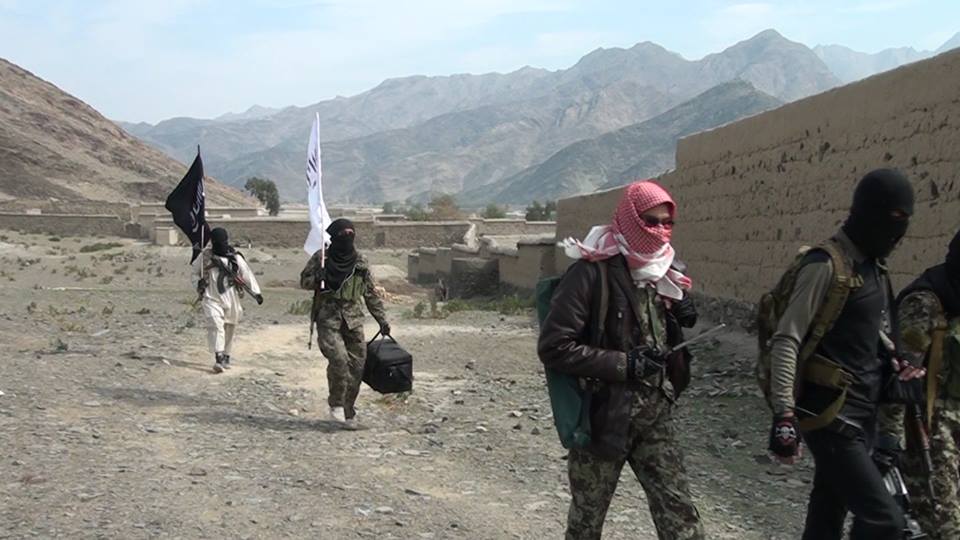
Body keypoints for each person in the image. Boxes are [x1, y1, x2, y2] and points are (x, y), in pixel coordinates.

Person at [538, 180, 704, 540]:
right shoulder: (589, 273)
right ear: (630, 220)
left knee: (681, 518)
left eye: (667, 223)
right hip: (603, 418)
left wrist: (678, 315)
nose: (660, 231)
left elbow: (656, 335)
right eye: (651, 221)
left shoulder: (664, 272)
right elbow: (554, 347)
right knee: (586, 523)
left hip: (655, 416)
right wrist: (624, 364)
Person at [766, 168, 916, 539]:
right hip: (831, 416)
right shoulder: (825, 265)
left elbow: (865, 334)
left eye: (904, 220)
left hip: (864, 414)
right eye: (892, 218)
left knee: (827, 515)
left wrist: (896, 362)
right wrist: (784, 413)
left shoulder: (874, 268)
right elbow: (787, 337)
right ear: (868, 212)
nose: (897, 232)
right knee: (885, 520)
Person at [896, 229, 960, 539]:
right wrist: (888, 441)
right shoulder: (924, 303)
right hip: (929, 433)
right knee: (947, 529)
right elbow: (899, 378)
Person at [300, 218, 390, 426]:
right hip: (328, 319)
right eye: (343, 234)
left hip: (353, 321)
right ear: (334, 236)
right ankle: (336, 404)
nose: (347, 237)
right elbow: (304, 281)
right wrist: (318, 278)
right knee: (339, 360)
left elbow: (370, 293)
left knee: (357, 366)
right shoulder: (322, 258)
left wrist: (382, 320)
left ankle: (349, 411)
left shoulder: (360, 261)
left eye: (351, 233)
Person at [194, 227, 263, 374]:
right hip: (211, 297)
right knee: (216, 324)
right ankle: (218, 357)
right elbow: (194, 273)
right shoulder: (205, 257)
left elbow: (247, 275)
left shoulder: (235, 258)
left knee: (230, 326)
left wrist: (257, 293)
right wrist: (198, 283)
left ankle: (226, 355)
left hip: (231, 297)